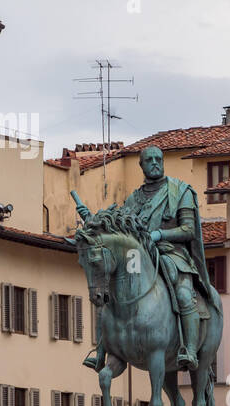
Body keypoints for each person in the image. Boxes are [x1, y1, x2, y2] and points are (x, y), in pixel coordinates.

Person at [77, 145, 218, 370]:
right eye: (149, 159)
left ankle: (189, 349)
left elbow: (189, 230)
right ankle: (101, 350)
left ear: (162, 162)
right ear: (141, 165)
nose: (154, 162)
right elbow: (118, 229)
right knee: (112, 291)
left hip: (172, 253)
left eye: (158, 159)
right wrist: (92, 220)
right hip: (139, 255)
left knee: (183, 293)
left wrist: (159, 234)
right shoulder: (134, 199)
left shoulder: (180, 191)